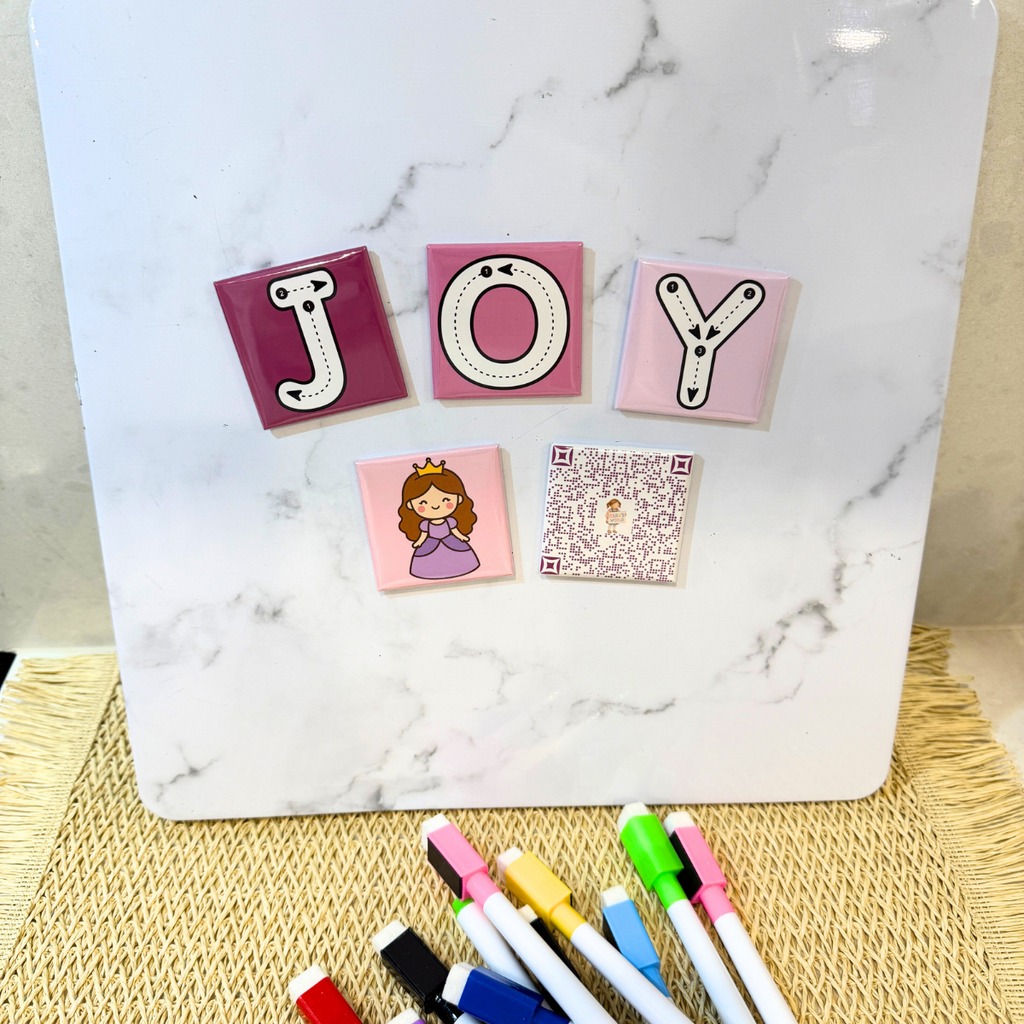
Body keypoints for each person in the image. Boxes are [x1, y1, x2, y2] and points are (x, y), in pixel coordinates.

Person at [398, 459, 480, 580]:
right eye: (423, 502)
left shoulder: (450, 521)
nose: (435, 506)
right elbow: (423, 534)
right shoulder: (425, 524)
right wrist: (419, 542)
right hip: (430, 544)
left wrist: (461, 536)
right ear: (410, 505)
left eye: (445, 500)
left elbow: (455, 530)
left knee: (458, 556)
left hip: (451, 541)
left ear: (459, 498)